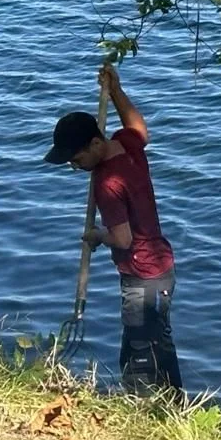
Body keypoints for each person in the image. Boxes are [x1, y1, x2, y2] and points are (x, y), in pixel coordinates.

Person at [44, 64, 183, 397]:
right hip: (163, 268)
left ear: (94, 144)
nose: (73, 167)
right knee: (159, 341)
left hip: (140, 274)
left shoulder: (107, 183)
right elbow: (138, 127)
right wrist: (117, 91)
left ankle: (143, 411)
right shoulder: (125, 144)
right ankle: (175, 403)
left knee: (137, 353)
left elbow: (122, 238)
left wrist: (96, 236)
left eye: (76, 159)